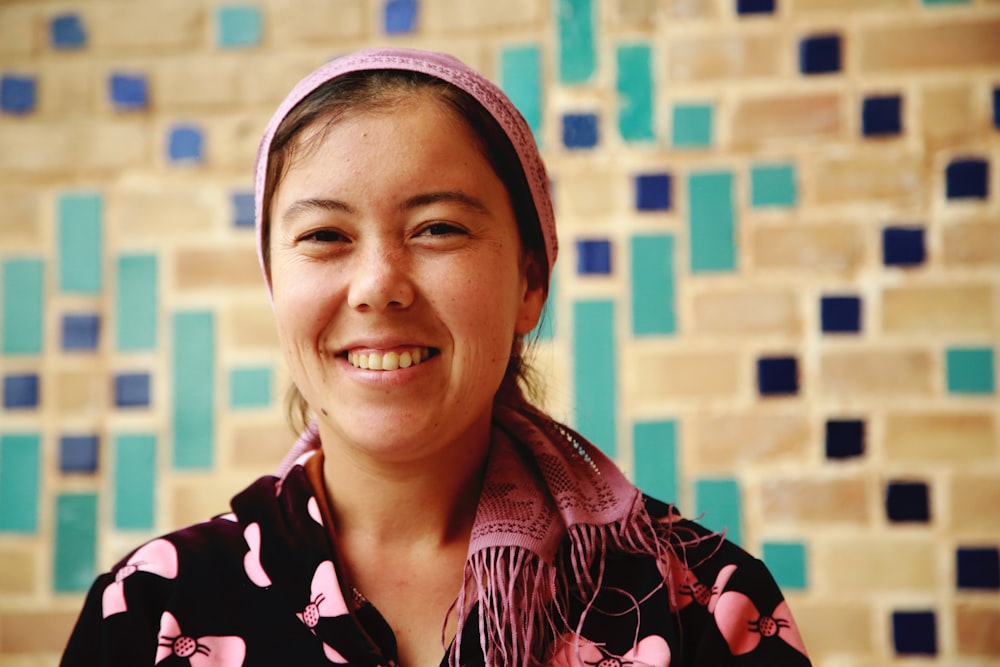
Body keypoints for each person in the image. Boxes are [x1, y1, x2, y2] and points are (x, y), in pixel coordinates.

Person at [61, 47, 812, 667]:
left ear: (530, 281)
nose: (378, 285)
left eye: (438, 228)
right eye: (324, 235)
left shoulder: (703, 601)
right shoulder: (154, 611)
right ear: (273, 283)